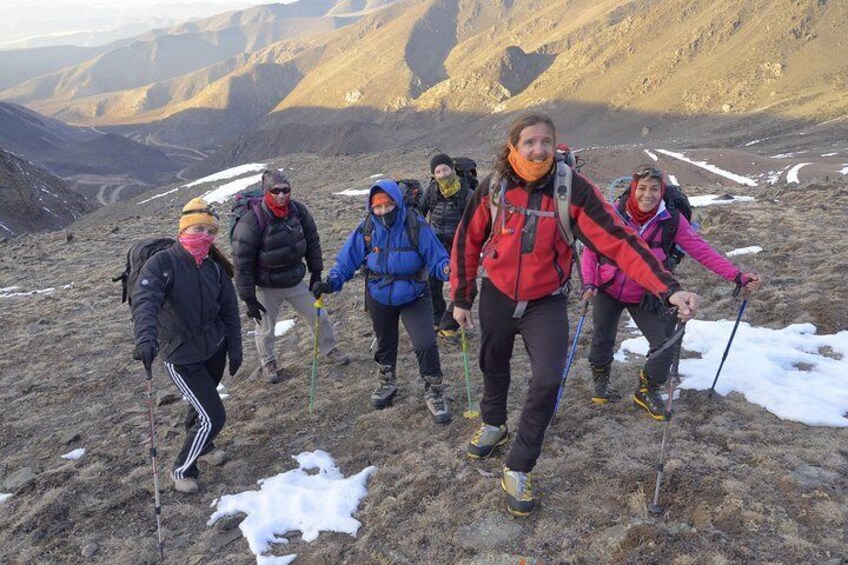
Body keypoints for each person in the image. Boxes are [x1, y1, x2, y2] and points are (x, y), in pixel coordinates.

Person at [450, 111, 701, 517]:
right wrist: (461, 297)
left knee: (549, 378)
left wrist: (667, 288)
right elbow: (467, 240)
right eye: (529, 142)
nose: (538, 149)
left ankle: (518, 466)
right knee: (493, 364)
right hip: (495, 295)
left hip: (545, 301)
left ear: (555, 145)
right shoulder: (494, 187)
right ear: (513, 147)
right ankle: (494, 423)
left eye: (545, 141)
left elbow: (620, 243)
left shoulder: (573, 191)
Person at [581, 164, 762, 418]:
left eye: (654, 189)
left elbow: (703, 251)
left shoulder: (671, 220)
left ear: (662, 190)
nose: (648, 194)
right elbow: (591, 248)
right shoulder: (612, 214)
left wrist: (737, 276)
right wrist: (589, 282)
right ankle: (601, 381)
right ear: (633, 189)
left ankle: (647, 388)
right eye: (642, 188)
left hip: (648, 292)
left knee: (666, 342)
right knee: (602, 338)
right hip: (608, 288)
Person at [312, 179, 453, 424]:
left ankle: (434, 389)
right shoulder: (367, 228)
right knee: (385, 344)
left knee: (425, 343)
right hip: (379, 294)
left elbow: (437, 258)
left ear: (397, 203)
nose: (383, 211)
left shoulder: (415, 225)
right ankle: (387, 380)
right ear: (371, 208)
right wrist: (331, 282)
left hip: (414, 294)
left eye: (388, 205)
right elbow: (347, 260)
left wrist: (448, 270)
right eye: (378, 207)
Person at [132, 197, 242, 494]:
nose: (204, 236)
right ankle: (182, 468)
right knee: (214, 416)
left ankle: (203, 448)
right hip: (181, 355)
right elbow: (146, 303)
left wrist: (235, 346)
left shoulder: (214, 266)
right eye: (198, 229)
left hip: (214, 348)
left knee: (201, 406)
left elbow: (229, 309)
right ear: (183, 229)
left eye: (209, 231)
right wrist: (145, 338)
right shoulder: (162, 264)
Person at [231, 170, 348, 384]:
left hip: (295, 280)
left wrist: (316, 274)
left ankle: (329, 350)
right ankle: (268, 362)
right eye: (276, 191)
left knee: (319, 316)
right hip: (267, 285)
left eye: (286, 190)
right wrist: (248, 298)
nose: (282, 195)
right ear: (266, 191)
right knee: (266, 329)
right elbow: (242, 263)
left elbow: (312, 242)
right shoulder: (251, 221)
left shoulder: (298, 211)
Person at [418, 153, 472, 341]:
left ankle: (449, 325)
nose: (442, 174)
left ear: (452, 169)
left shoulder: (467, 193)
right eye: (438, 171)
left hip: (459, 245)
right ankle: (437, 320)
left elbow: (475, 223)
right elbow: (419, 214)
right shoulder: (432, 190)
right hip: (435, 246)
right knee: (432, 283)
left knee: (465, 285)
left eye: (445, 169)